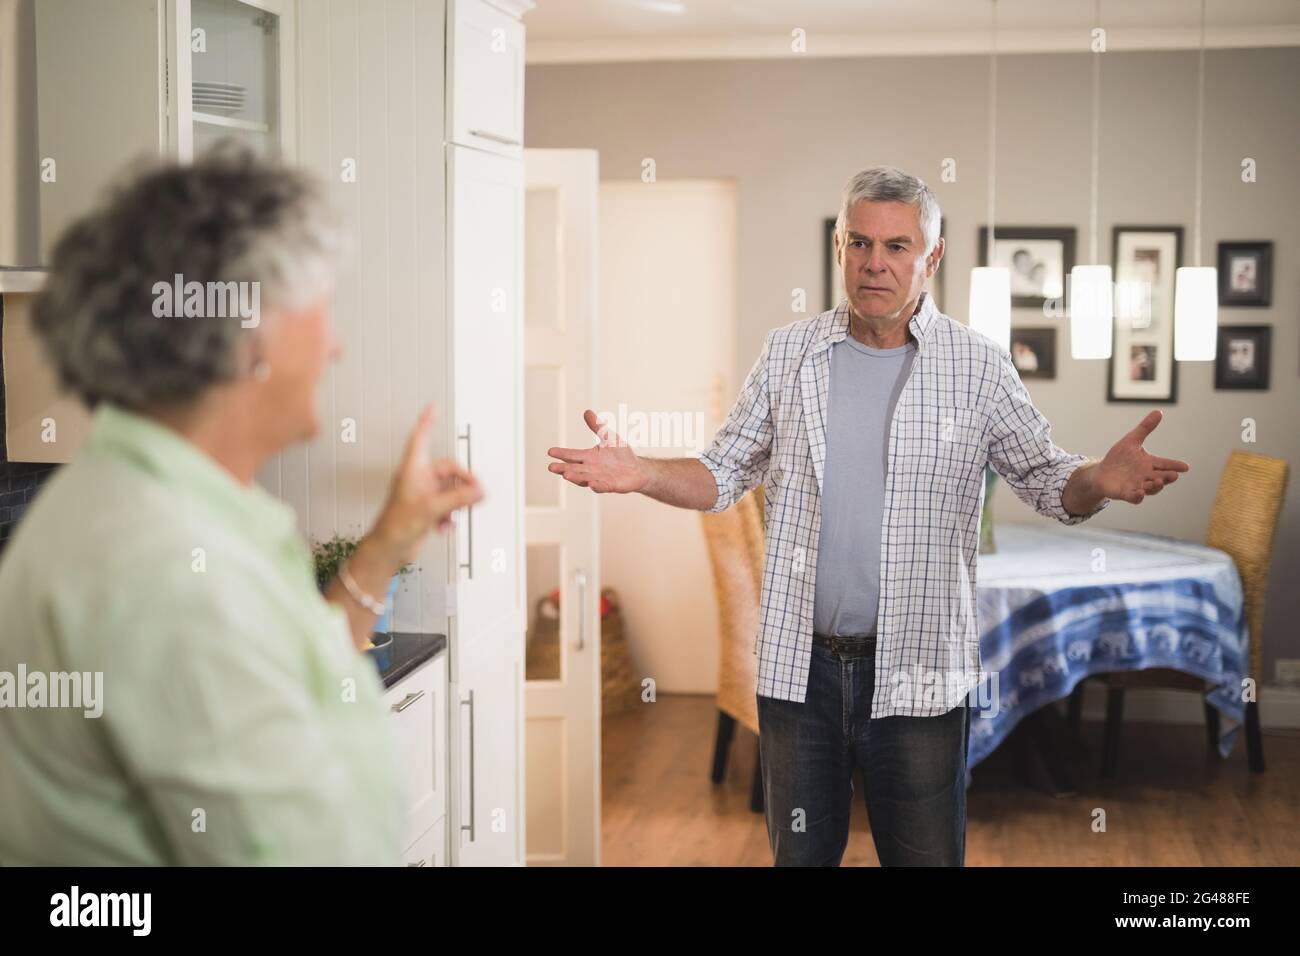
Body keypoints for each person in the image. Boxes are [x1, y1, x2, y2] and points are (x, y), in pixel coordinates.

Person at [548, 166, 1190, 867]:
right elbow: (723, 471)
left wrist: (1099, 477)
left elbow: (1046, 482)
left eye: (896, 246)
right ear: (839, 247)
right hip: (801, 675)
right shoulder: (789, 354)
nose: (874, 263)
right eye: (859, 243)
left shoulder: (978, 367)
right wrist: (641, 471)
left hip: (918, 673)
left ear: (932, 257)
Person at [0, 146, 482, 864]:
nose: (337, 344)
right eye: (320, 309)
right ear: (247, 334)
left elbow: (290, 678)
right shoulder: (169, 572)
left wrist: (386, 545)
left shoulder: (146, 499)